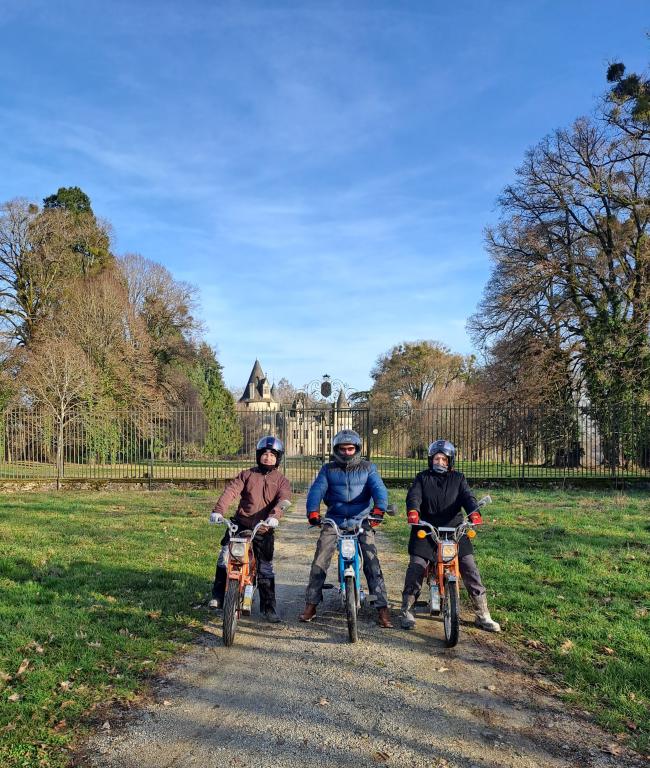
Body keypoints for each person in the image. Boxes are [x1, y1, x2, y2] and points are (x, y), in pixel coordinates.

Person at [400, 439, 501, 632]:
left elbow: (468, 497)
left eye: (444, 459)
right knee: (417, 566)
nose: (440, 462)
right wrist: (413, 511)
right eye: (436, 458)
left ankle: (483, 614)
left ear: (450, 461)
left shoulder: (458, 478)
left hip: (455, 529)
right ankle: (407, 610)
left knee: (469, 566)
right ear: (431, 460)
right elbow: (414, 496)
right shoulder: (422, 478)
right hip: (427, 529)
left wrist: (474, 513)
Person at [299, 429, 393, 628]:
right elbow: (317, 489)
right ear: (336, 450)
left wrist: (379, 509)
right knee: (320, 559)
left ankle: (382, 608)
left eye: (350, 449)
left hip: (362, 520)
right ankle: (311, 604)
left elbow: (378, 488)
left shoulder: (368, 468)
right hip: (335, 520)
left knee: (372, 561)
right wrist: (313, 511)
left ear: (357, 449)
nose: (347, 452)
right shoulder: (328, 469)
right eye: (342, 449)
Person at [208, 436, 291, 623]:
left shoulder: (282, 481)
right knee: (224, 558)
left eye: (272, 454)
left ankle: (269, 608)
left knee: (265, 568)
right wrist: (218, 511)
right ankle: (218, 596)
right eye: (264, 454)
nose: (268, 457)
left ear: (278, 458)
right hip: (241, 524)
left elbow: (284, 499)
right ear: (258, 455)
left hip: (264, 528)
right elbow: (231, 491)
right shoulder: (246, 475)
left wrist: (274, 516)